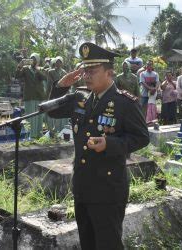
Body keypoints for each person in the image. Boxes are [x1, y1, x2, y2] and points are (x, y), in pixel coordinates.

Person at [46, 42, 149, 250]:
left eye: (92, 71)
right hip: (83, 185)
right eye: (85, 71)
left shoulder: (124, 103)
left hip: (108, 189)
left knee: (107, 244)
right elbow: (52, 111)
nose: (86, 75)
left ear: (109, 73)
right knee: (88, 243)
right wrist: (61, 86)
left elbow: (141, 137)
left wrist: (110, 144)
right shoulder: (80, 98)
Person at [15, 53, 47, 139]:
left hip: (39, 96)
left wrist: (37, 70)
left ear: (37, 61)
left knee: (39, 116)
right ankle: (29, 135)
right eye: (31, 58)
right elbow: (17, 75)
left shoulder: (40, 69)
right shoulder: (25, 69)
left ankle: (39, 135)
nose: (32, 60)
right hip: (29, 97)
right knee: (30, 116)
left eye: (34, 59)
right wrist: (20, 65)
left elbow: (45, 78)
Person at [45, 56, 68, 136]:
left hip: (61, 96)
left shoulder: (64, 73)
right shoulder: (51, 72)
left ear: (62, 63)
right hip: (53, 94)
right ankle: (51, 130)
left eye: (60, 62)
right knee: (51, 112)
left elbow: (65, 85)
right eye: (57, 62)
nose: (58, 63)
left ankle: (57, 131)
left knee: (59, 113)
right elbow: (48, 84)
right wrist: (47, 95)